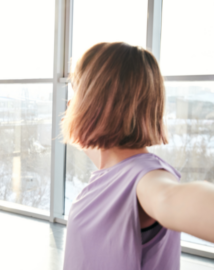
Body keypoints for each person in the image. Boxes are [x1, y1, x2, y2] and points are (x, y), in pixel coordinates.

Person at [62, 42, 214, 270]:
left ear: (95, 102)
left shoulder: (145, 179)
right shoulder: (113, 170)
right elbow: (92, 145)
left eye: (77, 91)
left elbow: (169, 197)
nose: (70, 104)